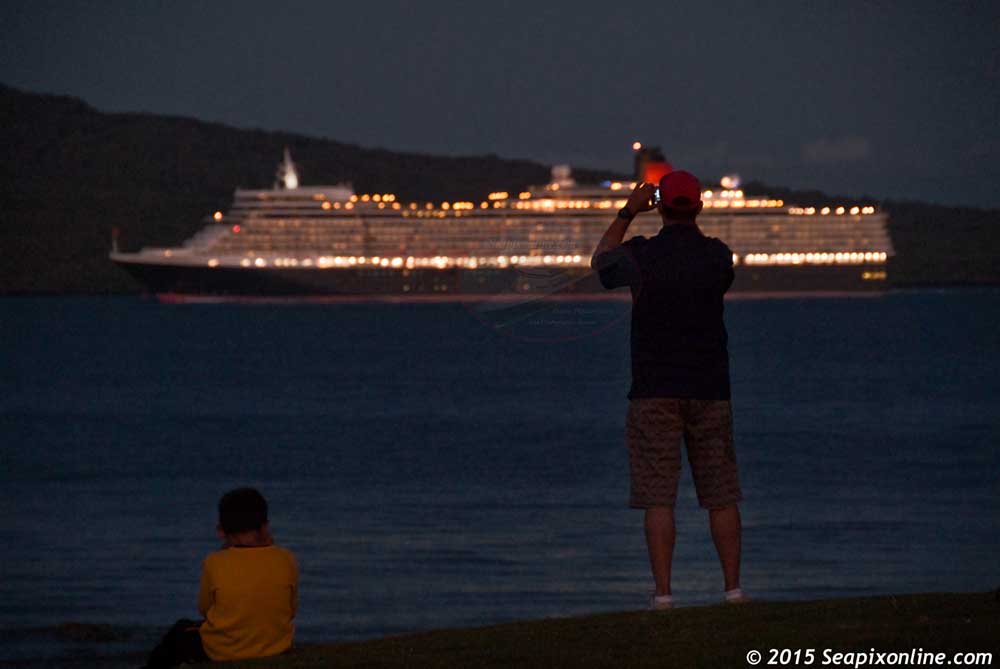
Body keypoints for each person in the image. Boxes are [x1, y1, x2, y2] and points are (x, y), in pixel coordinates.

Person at [591, 170, 746, 609]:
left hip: (653, 389)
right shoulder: (718, 257)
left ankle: (663, 596)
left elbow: (599, 264)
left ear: (658, 206)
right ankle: (733, 592)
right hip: (711, 387)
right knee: (721, 493)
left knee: (658, 497)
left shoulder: (640, 256)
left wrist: (627, 212)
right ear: (698, 205)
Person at [143, 487, 299, 667]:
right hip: (275, 647)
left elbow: (205, 609)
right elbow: (291, 609)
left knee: (180, 631)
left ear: (221, 531)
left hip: (223, 650)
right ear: (265, 526)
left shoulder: (215, 562)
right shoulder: (286, 558)